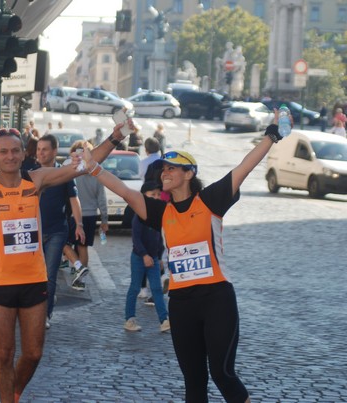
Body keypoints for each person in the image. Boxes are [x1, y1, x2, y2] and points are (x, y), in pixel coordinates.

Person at [0, 97, 127, 403]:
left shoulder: (37, 181)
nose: (9, 156)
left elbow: (84, 166)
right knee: (4, 355)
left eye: (15, 150)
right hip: (0, 283)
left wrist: (114, 137)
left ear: (23, 154)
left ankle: (13, 392)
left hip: (34, 280)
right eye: (3, 151)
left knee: (33, 353)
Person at [81, 112, 287, 403]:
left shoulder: (211, 200)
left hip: (216, 298)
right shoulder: (160, 212)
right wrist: (93, 168)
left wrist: (271, 135)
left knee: (222, 372)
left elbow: (245, 166)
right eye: (163, 169)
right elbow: (125, 192)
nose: (164, 173)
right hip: (181, 303)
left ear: (189, 173)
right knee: (193, 381)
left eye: (172, 169)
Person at [36, 134, 86, 320]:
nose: (41, 153)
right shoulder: (33, 173)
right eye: (38, 149)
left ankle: (45, 316)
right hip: (35, 231)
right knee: (34, 276)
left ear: (54, 151)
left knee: (49, 276)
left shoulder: (64, 173)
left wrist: (79, 225)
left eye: (45, 149)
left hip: (57, 231)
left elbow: (74, 200)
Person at [124, 180, 169, 333]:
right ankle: (129, 319)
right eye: (152, 194)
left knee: (157, 288)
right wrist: (144, 255)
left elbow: (160, 239)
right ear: (144, 196)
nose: (156, 197)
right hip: (138, 257)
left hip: (154, 258)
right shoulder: (139, 217)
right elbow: (136, 239)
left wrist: (159, 257)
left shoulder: (160, 216)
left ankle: (164, 320)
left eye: (158, 194)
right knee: (135, 287)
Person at [66, 140, 108, 290]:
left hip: (73, 214)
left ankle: (77, 269)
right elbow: (101, 198)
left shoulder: (71, 169)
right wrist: (104, 219)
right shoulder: (95, 170)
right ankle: (80, 277)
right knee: (83, 247)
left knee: (66, 243)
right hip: (90, 215)